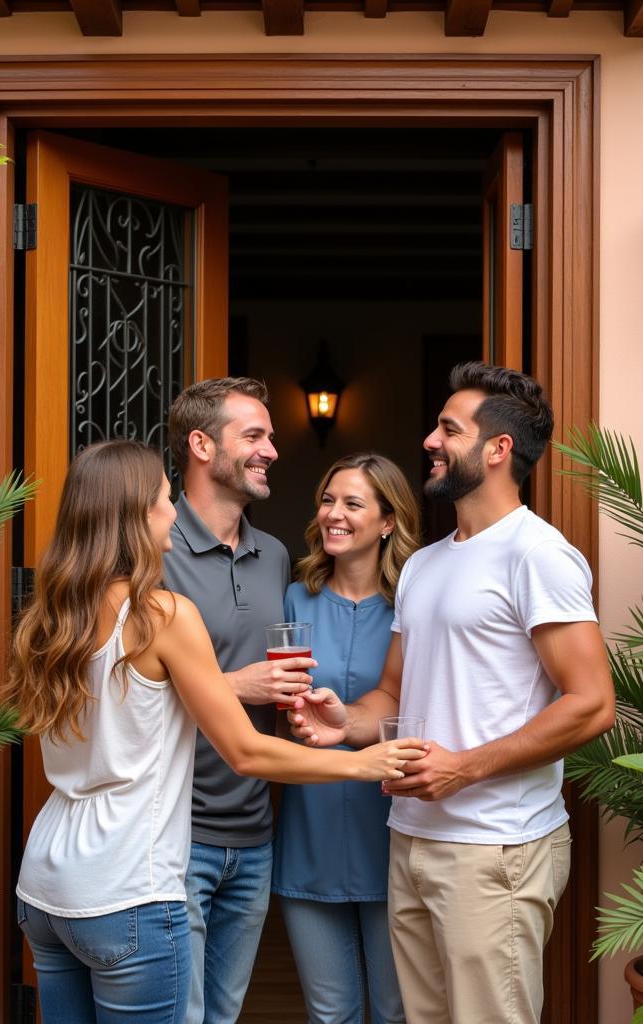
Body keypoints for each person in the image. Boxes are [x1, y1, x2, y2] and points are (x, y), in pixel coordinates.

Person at [6, 440, 426, 1024]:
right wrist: (367, 763)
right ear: (133, 515)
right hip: (130, 885)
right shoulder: (164, 615)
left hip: (47, 887)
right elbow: (247, 751)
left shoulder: (50, 615)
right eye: (161, 499)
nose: (174, 512)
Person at [289, 362, 615, 1024]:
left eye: (448, 429)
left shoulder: (538, 555)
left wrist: (462, 769)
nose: (430, 441)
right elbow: (391, 695)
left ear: (498, 450)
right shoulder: (426, 565)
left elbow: (592, 703)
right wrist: (343, 722)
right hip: (411, 838)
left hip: (495, 847)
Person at [162, 377, 318, 1024]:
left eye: (271, 437)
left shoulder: (274, 554)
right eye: (254, 436)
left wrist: (301, 708)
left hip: (255, 837)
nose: (272, 451)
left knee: (221, 1016)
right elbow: (117, 686)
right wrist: (238, 686)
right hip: (175, 833)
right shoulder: (152, 548)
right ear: (201, 445)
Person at [272, 453, 421, 1024]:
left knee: (394, 1011)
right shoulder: (293, 600)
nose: (333, 514)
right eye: (328, 500)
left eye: (352, 503)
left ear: (388, 522)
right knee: (330, 1011)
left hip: (393, 833)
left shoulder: (415, 604)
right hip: (309, 833)